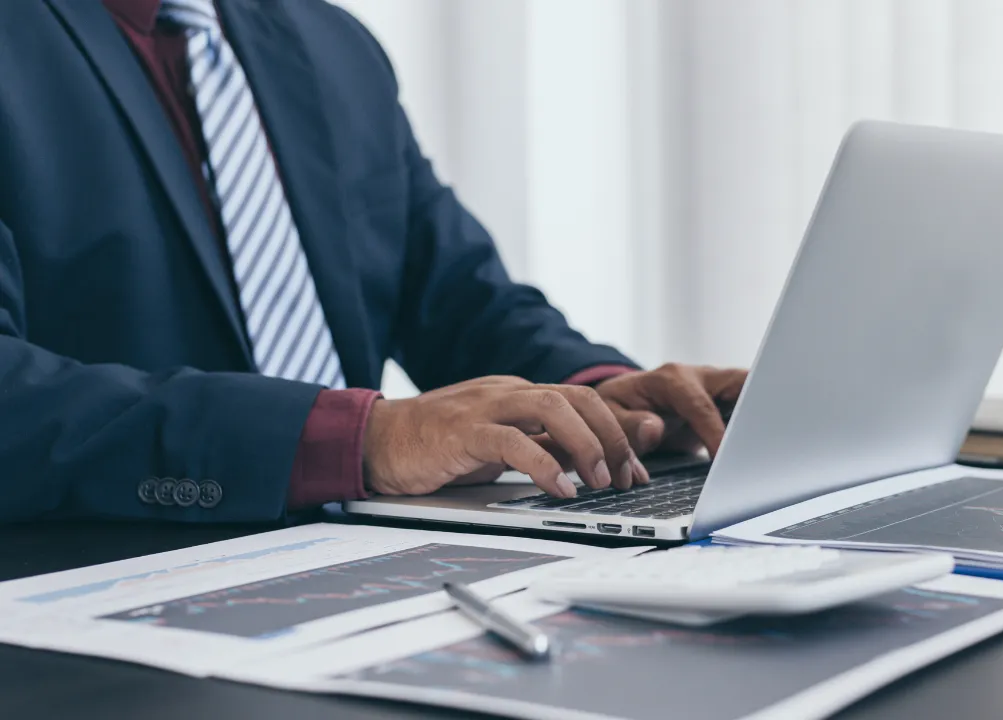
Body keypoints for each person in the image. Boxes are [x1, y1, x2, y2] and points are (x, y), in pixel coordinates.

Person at [0, 0, 746, 523]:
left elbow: (456, 294)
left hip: (373, 560)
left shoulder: (332, 46)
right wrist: (360, 440)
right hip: (104, 591)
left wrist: (601, 399)